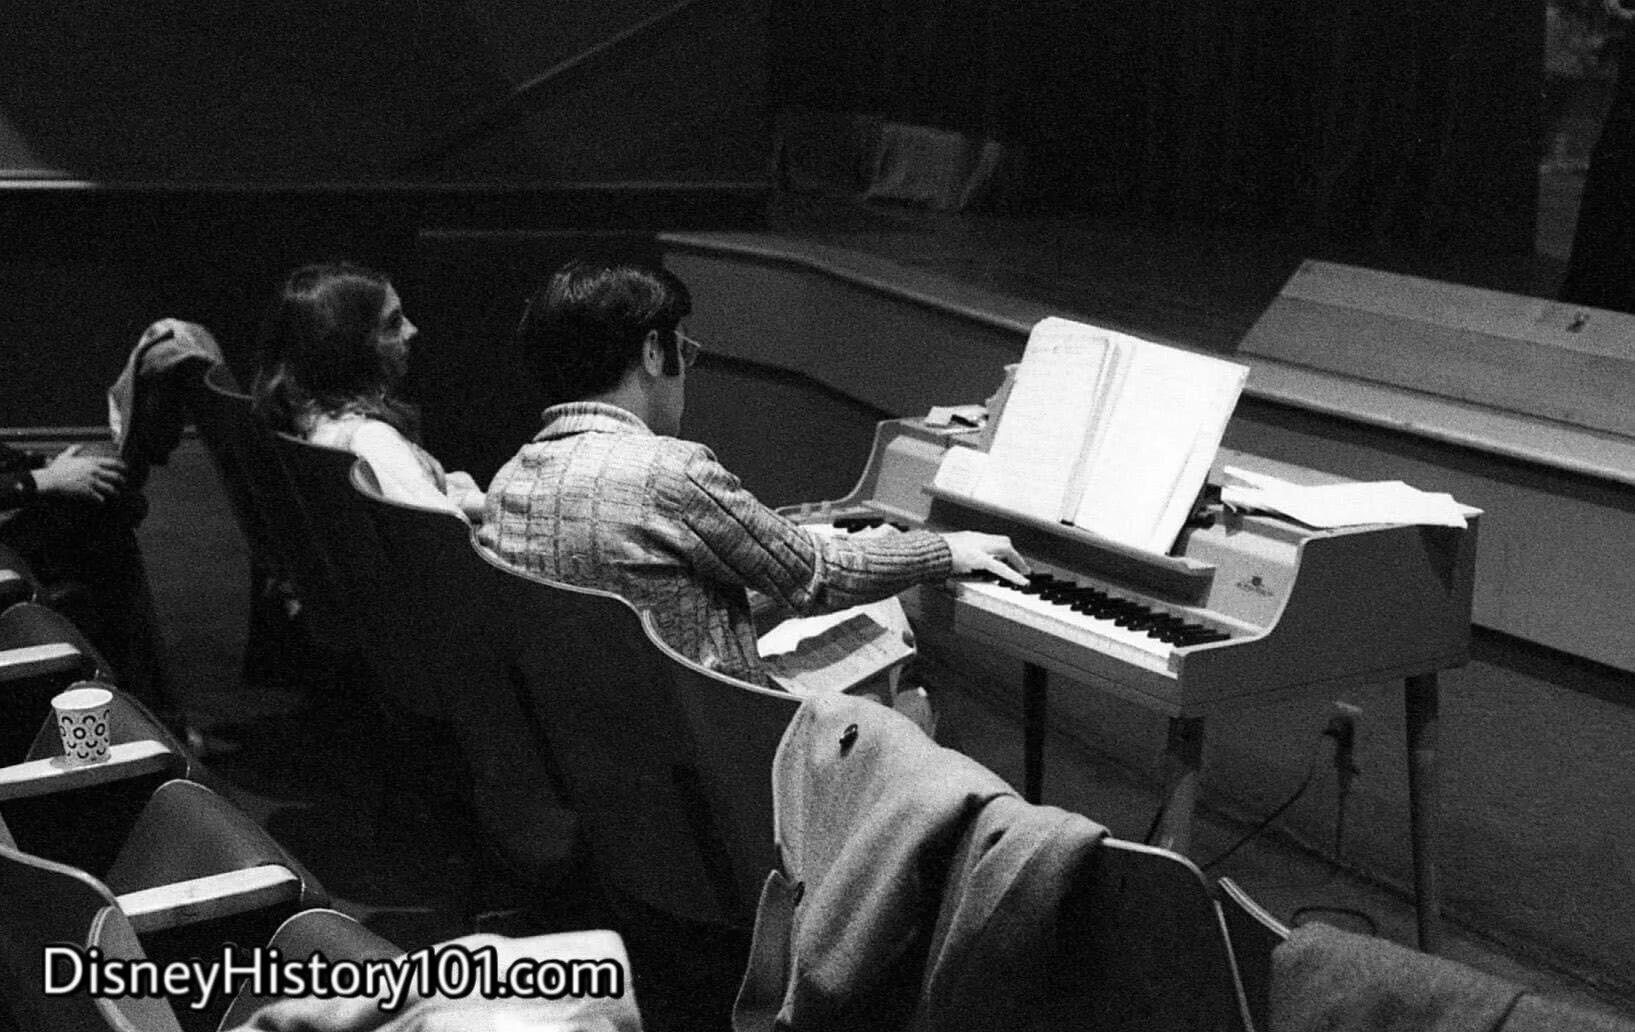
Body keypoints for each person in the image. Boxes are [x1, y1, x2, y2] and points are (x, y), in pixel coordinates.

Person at [479, 260, 1030, 688]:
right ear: (652, 352)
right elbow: (816, 576)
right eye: (682, 351)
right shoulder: (669, 471)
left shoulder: (509, 485)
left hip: (616, 754)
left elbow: (662, 609)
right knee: (893, 649)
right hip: (724, 747)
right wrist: (941, 551)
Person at [252, 262, 485, 521]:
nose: (411, 330)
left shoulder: (311, 420)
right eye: (393, 323)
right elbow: (445, 537)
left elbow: (422, 495)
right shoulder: (370, 440)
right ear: (349, 344)